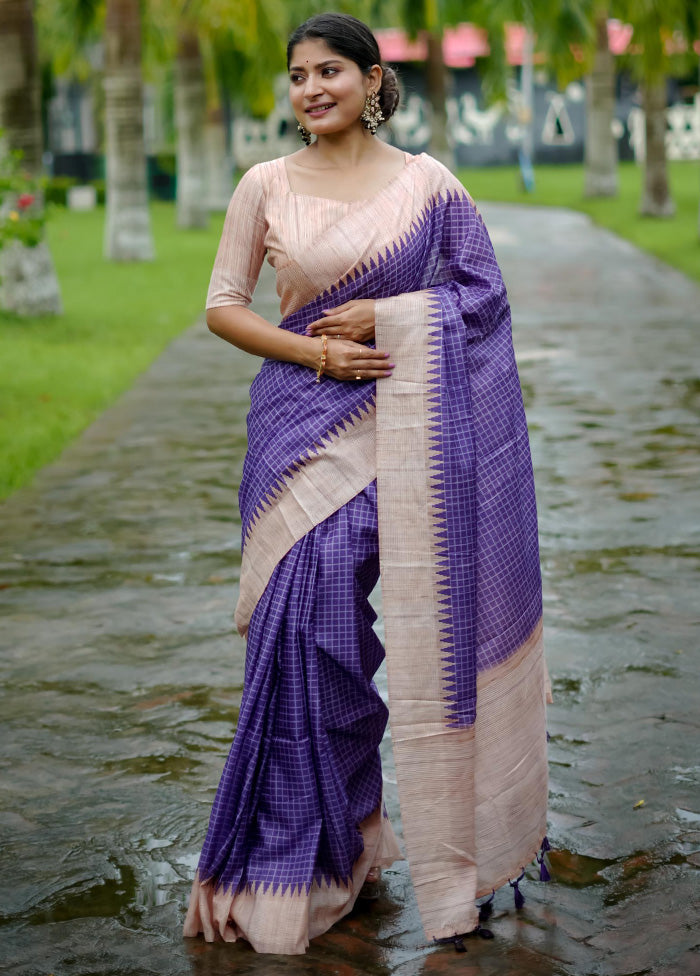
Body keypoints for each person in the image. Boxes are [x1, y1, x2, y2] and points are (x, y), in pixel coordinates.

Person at [183, 12, 550, 956]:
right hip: (299, 436)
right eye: (298, 74)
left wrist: (391, 317)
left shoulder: (429, 186)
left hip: (409, 439)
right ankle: (304, 864)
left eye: (331, 70)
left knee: (385, 644)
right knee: (308, 638)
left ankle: (375, 846)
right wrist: (316, 351)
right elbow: (223, 307)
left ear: (373, 79)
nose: (311, 88)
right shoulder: (264, 185)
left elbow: (482, 296)